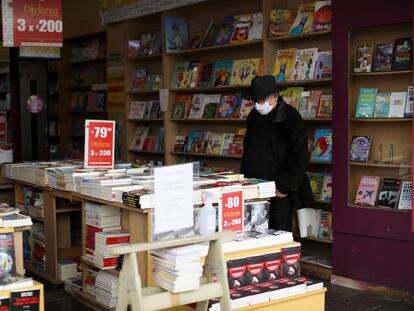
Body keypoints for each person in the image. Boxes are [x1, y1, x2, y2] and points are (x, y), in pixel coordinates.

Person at [241, 75, 314, 231]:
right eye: (255, 101)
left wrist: (283, 186)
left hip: (278, 191)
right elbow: (248, 150)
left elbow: (300, 155)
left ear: (274, 97)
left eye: (262, 100)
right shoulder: (253, 116)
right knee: (252, 232)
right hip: (253, 189)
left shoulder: (290, 116)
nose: (258, 105)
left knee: (277, 233)